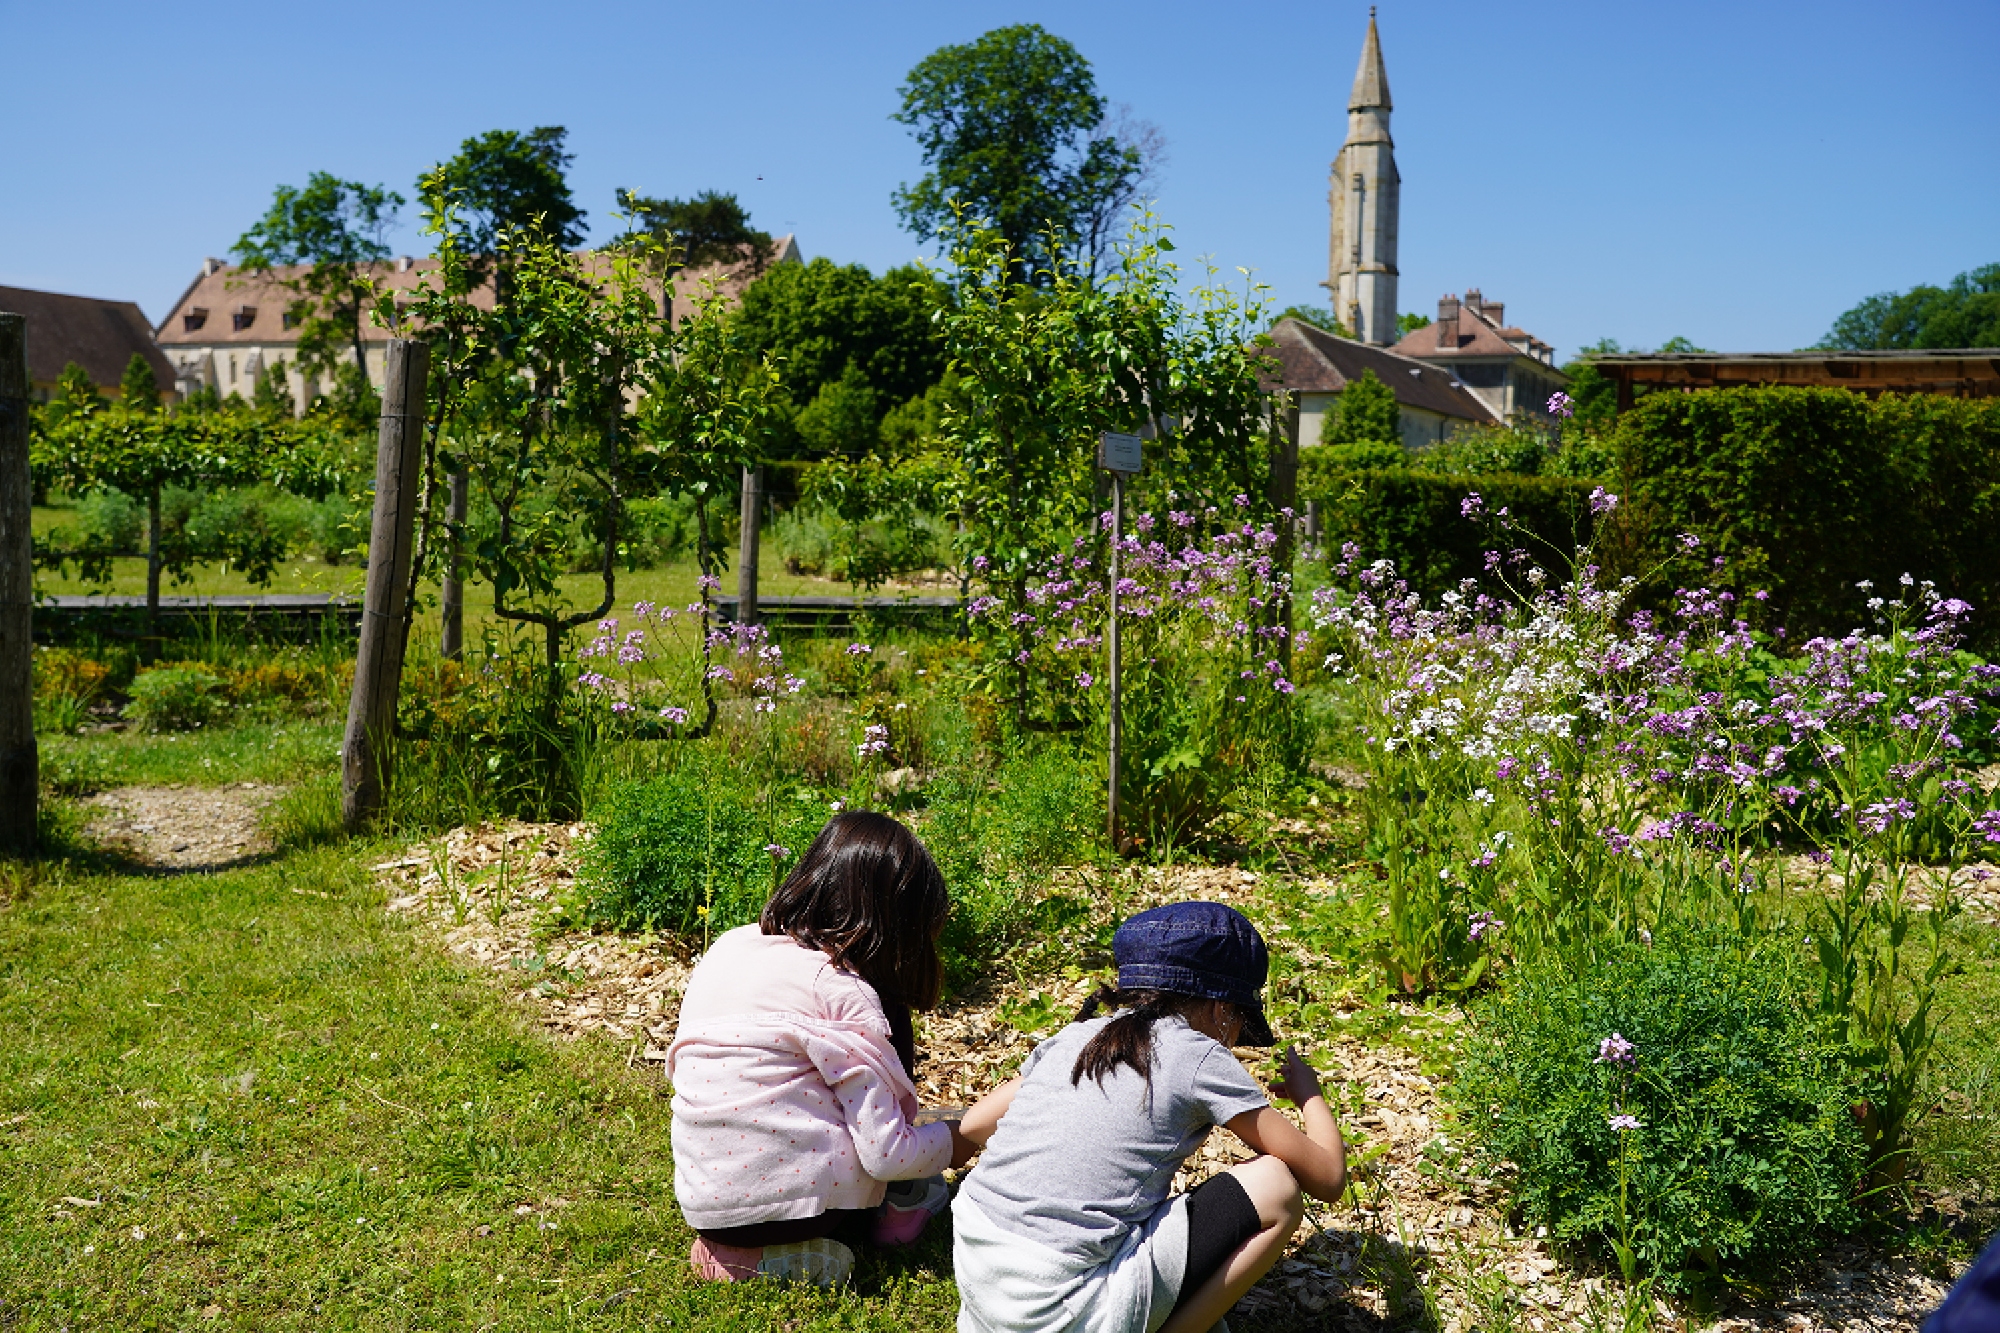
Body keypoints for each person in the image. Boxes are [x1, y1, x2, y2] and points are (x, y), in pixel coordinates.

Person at [950, 901, 1348, 1333]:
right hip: (1060, 1305)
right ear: (1221, 1010)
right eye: (1240, 1023)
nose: (1234, 1039)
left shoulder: (1076, 1036)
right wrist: (1311, 1097)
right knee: (1276, 1185)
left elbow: (972, 1126)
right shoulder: (1196, 1056)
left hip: (983, 1284)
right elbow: (1327, 1178)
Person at [667, 811, 979, 1286]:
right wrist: (958, 1139)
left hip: (706, 1199)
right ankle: (835, 1235)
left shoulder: (729, 948)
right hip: (798, 1212)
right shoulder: (840, 989)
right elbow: (886, 1153)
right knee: (901, 1171)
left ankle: (727, 1247)